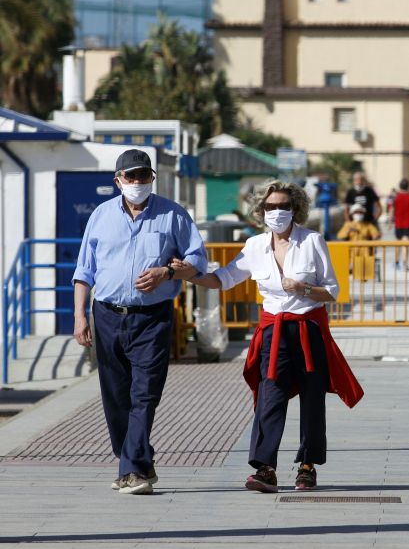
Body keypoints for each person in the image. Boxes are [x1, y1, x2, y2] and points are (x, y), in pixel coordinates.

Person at [171, 180, 363, 493]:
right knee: (269, 397)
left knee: (312, 400)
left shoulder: (312, 241)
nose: (277, 212)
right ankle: (265, 468)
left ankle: (307, 465)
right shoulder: (255, 247)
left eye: (283, 206)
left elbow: (332, 291)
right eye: (270, 207)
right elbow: (223, 279)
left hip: (308, 328)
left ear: (295, 209)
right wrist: (188, 275)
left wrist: (302, 289)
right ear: (261, 211)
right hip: (274, 330)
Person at [71, 149, 208, 495]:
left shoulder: (174, 216)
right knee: (116, 397)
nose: (137, 182)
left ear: (152, 178)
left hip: (153, 318)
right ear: (117, 180)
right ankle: (136, 462)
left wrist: (168, 271)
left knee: (144, 394)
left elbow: (197, 262)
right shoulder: (101, 216)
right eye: (130, 177)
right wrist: (79, 316)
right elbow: (84, 271)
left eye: (143, 176)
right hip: (106, 316)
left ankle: (132, 470)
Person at [337, 202, 382, 281]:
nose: (359, 214)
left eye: (360, 212)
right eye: (357, 212)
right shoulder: (348, 224)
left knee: (365, 251)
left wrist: (374, 236)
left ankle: (362, 272)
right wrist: (348, 231)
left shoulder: (368, 225)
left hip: (364, 249)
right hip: (351, 249)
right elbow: (340, 236)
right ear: (352, 213)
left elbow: (376, 234)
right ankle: (352, 268)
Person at [391, 178, 409, 269]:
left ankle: (396, 262)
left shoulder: (396, 197)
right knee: (406, 244)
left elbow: (392, 209)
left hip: (398, 222)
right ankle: (405, 262)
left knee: (398, 242)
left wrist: (391, 220)